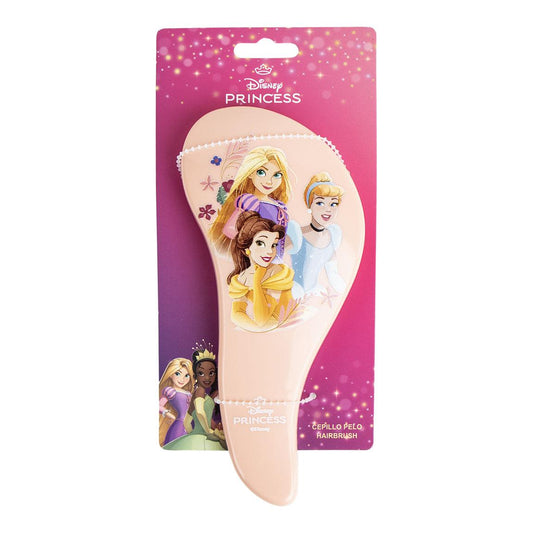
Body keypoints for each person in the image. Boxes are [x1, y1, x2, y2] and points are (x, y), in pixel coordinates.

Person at [208, 146, 291, 259]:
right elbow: (230, 231)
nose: (269, 181)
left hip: (275, 260)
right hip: (253, 260)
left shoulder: (279, 207)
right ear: (250, 173)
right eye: (261, 172)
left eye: (277, 175)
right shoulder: (249, 202)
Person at [227, 211, 296, 332]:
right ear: (247, 247)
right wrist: (254, 328)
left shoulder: (278, 274)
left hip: (285, 330)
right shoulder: (241, 278)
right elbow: (236, 314)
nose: (269, 251)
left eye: (273, 245)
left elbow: (262, 320)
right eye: (261, 243)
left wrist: (257, 283)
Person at [287, 172, 346, 296]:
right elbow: (277, 263)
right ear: (310, 205)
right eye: (320, 203)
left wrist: (345, 292)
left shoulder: (333, 236)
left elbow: (333, 273)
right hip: (292, 292)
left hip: (314, 293)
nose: (328, 209)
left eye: (333, 204)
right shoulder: (297, 234)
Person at [163, 350, 226, 451]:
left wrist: (192, 434)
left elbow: (187, 422)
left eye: (211, 373)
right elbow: (200, 412)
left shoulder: (194, 395)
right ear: (195, 376)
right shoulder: (200, 391)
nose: (207, 377)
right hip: (204, 436)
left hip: (196, 436)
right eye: (201, 373)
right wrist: (208, 431)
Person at [158, 358, 194, 446]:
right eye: (177, 374)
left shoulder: (188, 393)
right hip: (179, 425)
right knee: (177, 445)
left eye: (187, 375)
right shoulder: (170, 391)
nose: (182, 379)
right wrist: (169, 414)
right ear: (170, 374)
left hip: (190, 425)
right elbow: (158, 406)